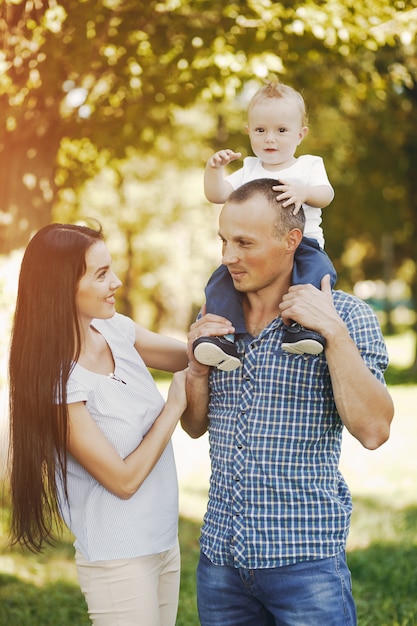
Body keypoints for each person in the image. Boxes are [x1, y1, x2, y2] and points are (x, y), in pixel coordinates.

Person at [181, 178, 394, 626]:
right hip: (221, 560)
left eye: (244, 243)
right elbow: (196, 426)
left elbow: (374, 431)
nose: (227, 257)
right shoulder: (216, 316)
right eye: (223, 240)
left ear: (290, 241)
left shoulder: (348, 316)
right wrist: (197, 371)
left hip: (305, 565)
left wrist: (332, 334)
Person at [8, 223, 189, 626]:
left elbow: (190, 358)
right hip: (117, 556)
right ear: (62, 286)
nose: (118, 282)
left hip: (162, 540)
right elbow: (122, 481)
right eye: (101, 274)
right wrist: (173, 407)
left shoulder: (114, 329)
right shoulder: (57, 382)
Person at [193, 79, 336, 371]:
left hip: (305, 244)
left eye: (281, 131)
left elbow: (327, 194)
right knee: (219, 282)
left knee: (315, 276)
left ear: (300, 134)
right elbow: (217, 195)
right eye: (260, 130)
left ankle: (303, 328)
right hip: (257, 253)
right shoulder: (249, 169)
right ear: (249, 132)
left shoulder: (308, 165)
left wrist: (304, 192)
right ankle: (223, 338)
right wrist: (214, 170)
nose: (270, 139)